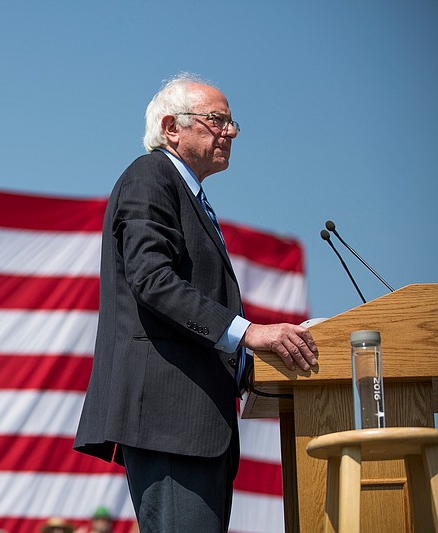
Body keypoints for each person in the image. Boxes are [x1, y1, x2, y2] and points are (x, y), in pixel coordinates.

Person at [73, 72, 318, 532]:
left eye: (231, 123)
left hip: (198, 428)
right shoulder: (151, 176)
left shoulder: (189, 194)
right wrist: (250, 333)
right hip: (172, 422)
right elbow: (153, 280)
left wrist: (249, 369)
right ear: (172, 128)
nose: (230, 132)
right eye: (216, 120)